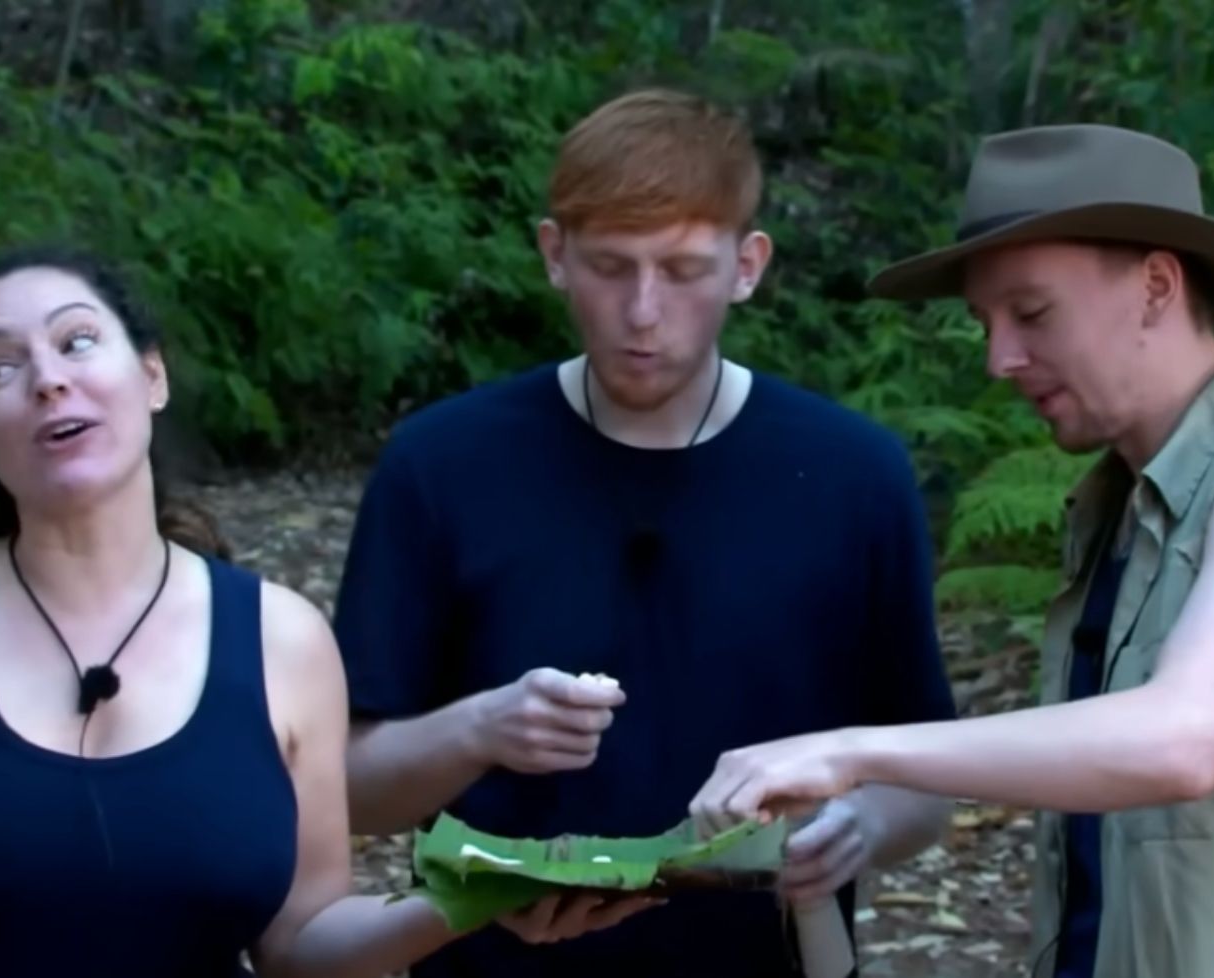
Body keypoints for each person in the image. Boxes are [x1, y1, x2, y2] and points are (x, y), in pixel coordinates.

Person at [0, 247, 636, 977]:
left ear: (151, 376)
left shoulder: (281, 639)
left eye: (77, 342)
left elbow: (300, 941)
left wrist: (466, 902)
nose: (46, 379)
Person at [688, 123, 1214, 977]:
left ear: (1157, 285)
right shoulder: (1126, 513)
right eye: (985, 322)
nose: (999, 359)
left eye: (1033, 313)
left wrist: (847, 751)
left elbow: (1181, 740)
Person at [331, 87, 958, 978]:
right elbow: (351, 789)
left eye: (683, 270)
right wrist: (479, 730)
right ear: (555, 254)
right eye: (610, 266)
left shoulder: (854, 476)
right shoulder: (441, 465)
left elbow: (924, 774)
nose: (642, 311)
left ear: (748, 265)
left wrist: (859, 828)